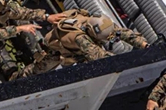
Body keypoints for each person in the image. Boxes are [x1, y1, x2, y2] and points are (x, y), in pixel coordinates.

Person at [11, 9, 148, 79]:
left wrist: (143, 45)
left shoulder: (92, 21)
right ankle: (14, 81)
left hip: (70, 48)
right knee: (36, 71)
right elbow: (99, 56)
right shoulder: (80, 38)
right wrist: (128, 63)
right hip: (56, 51)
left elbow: (120, 32)